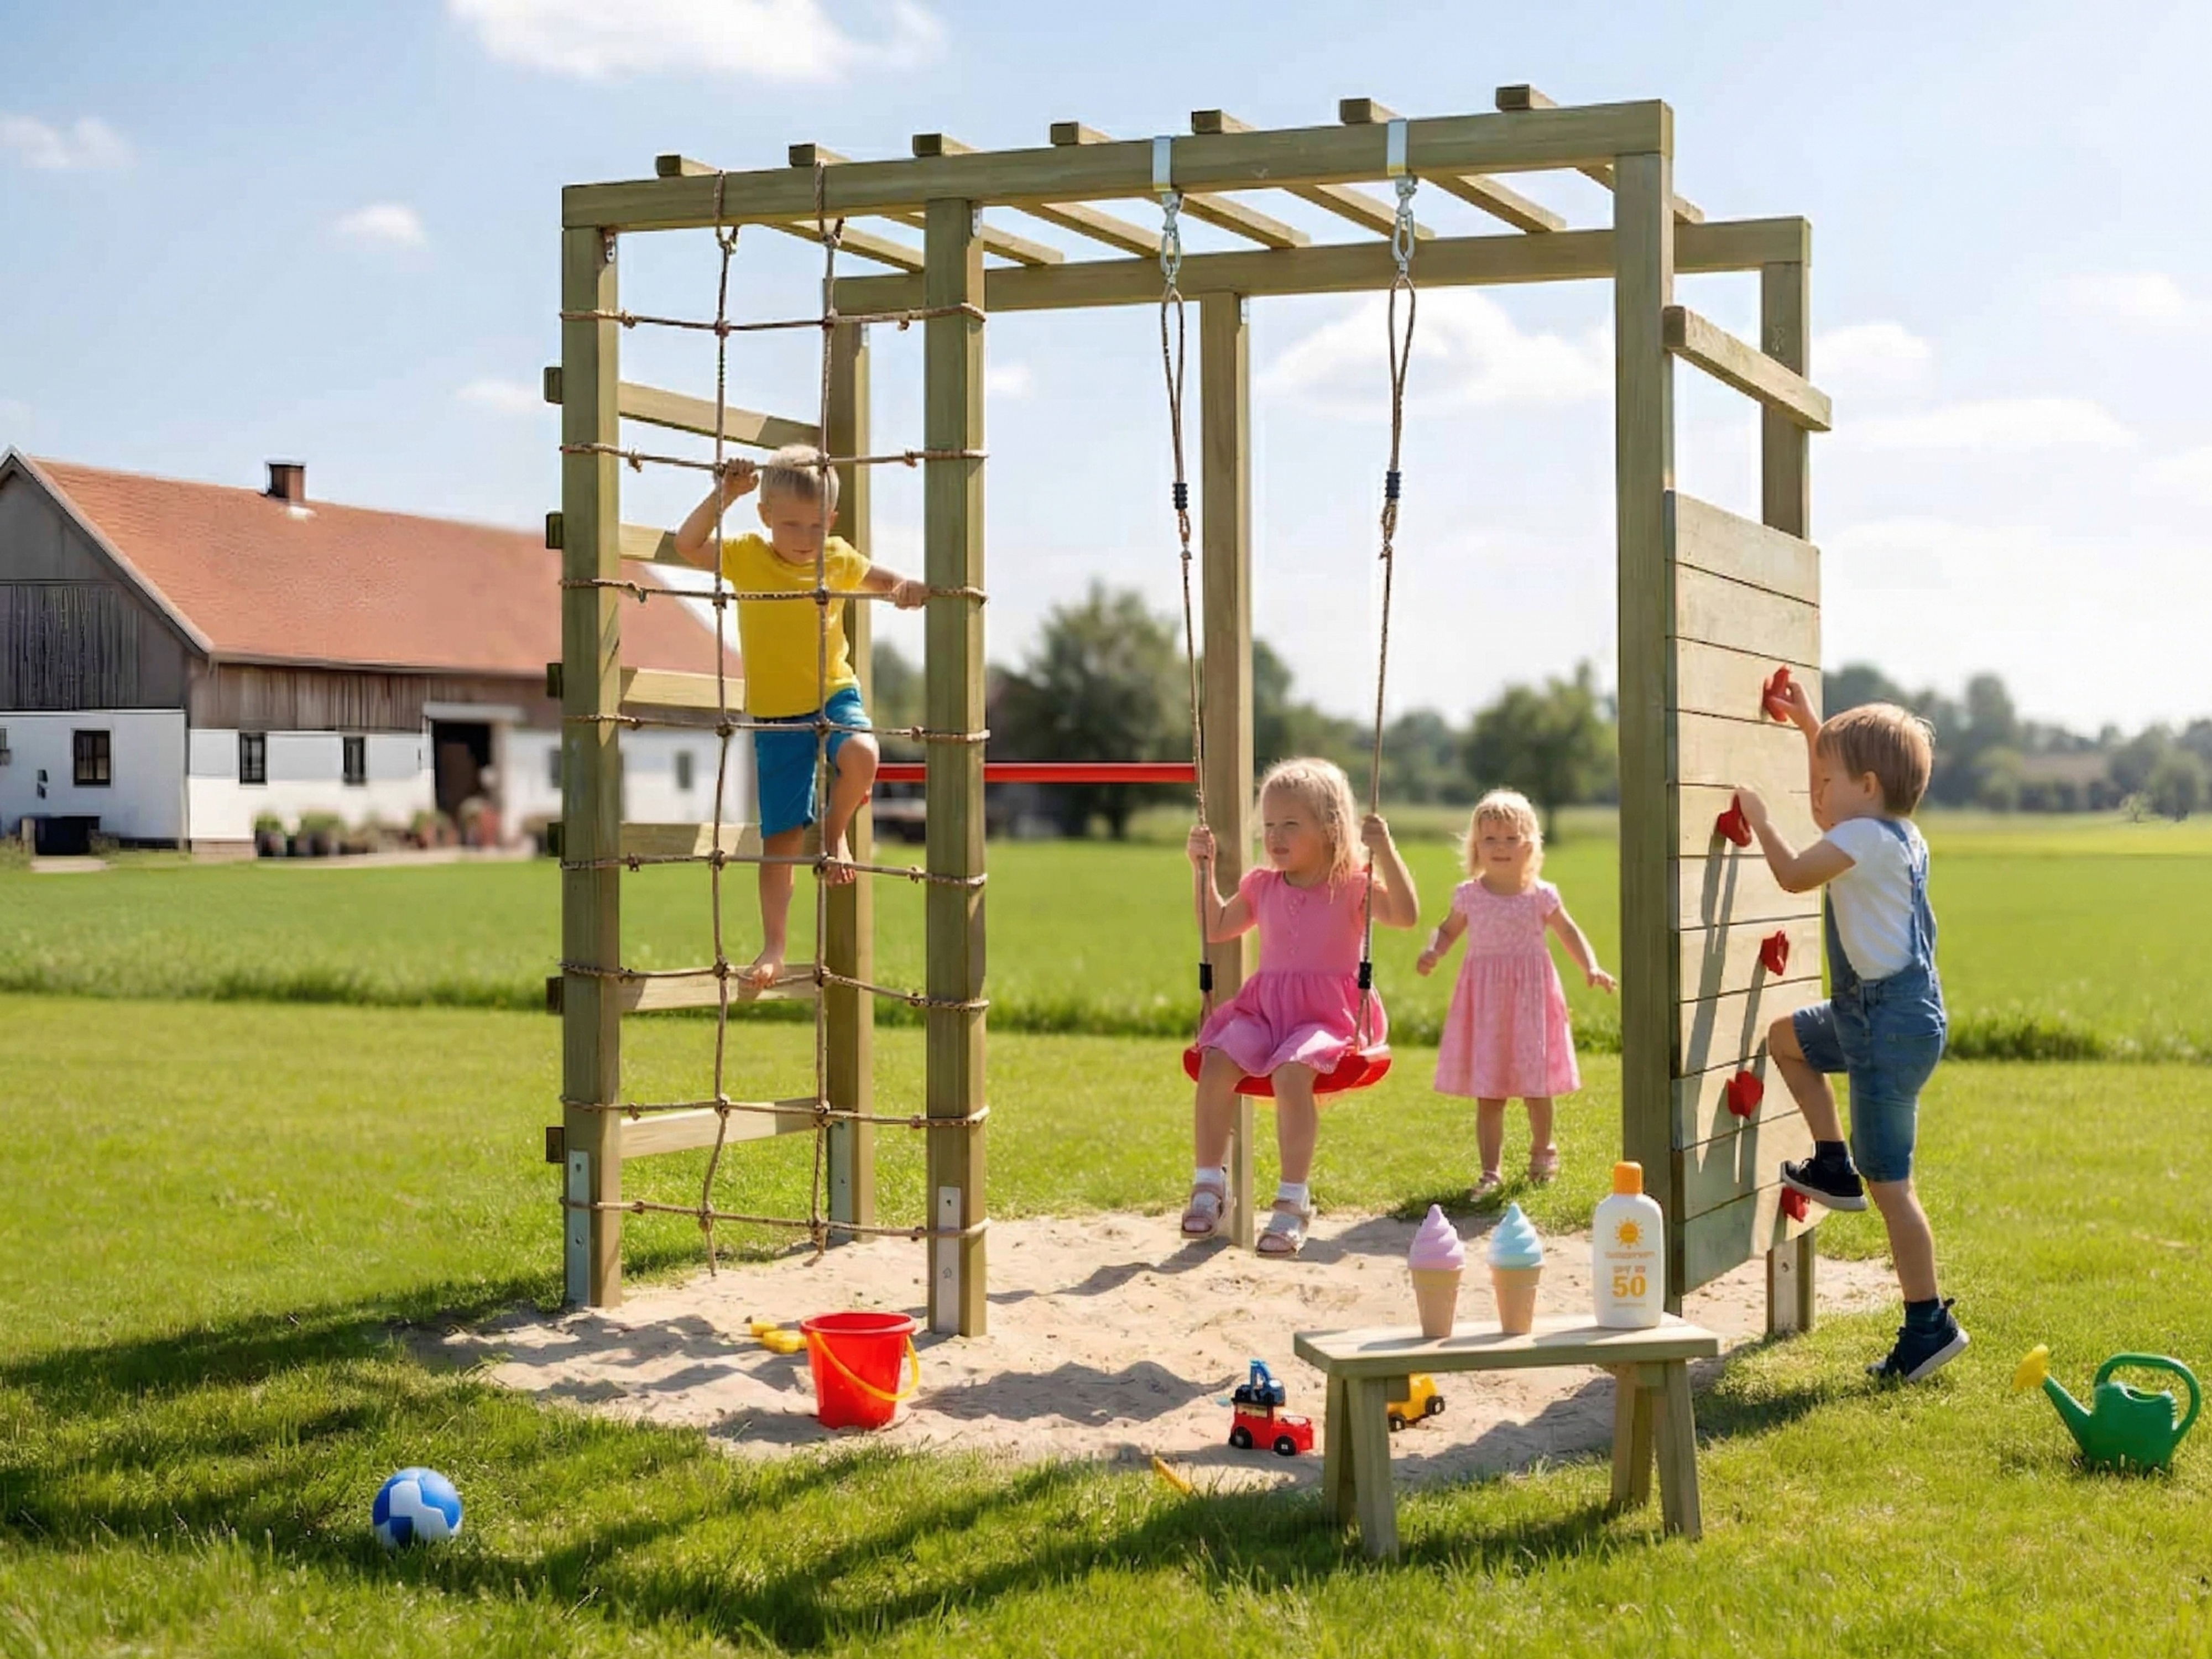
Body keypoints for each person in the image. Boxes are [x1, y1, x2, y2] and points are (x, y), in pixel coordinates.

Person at [1736, 683, 1965, 1382]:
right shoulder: (1897, 833)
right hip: (1885, 1017)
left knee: (1892, 1186)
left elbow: (1791, 875)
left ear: (1866, 786)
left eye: (1829, 779)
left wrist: (1759, 818)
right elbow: (1830, 809)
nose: (1818, 794)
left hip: (1885, 1028)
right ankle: (1831, 1162)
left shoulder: (1861, 838)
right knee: (1787, 1039)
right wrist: (1812, 727)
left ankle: (1928, 1326)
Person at [671, 446, 928, 990]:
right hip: (777, 713)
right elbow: (687, 545)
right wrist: (725, 495)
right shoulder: (747, 556)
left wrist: (904, 588)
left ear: (831, 521)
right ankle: (774, 947)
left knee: (863, 753)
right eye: (791, 524)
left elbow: (885, 582)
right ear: (765, 516)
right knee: (781, 839)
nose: (805, 537)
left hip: (833, 692)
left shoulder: (837, 557)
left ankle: (834, 832)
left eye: (816, 524)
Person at [1181, 758, 1420, 1256]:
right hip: (1265, 1013)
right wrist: (1201, 870)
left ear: (1330, 827)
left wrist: (1386, 851)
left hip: (1327, 1019)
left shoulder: (1351, 886)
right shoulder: (1263, 886)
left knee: (1292, 1074)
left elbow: (1405, 915)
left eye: (1290, 824)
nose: (1275, 836)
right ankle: (1208, 1184)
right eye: (1269, 825)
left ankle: (1292, 1201)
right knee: (1216, 1060)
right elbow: (1217, 927)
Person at [1418, 788, 1614, 1200]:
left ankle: (1543, 1153)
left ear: (1528, 845)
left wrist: (1591, 967)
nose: (1501, 847)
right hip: (1486, 1004)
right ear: (1476, 845)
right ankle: (1490, 1172)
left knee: (1536, 1085)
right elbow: (1449, 930)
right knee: (1490, 1092)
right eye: (1490, 839)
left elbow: (1569, 932)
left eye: (1511, 838)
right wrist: (1434, 950)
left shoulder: (1540, 895)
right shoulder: (1469, 895)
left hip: (1531, 1002)